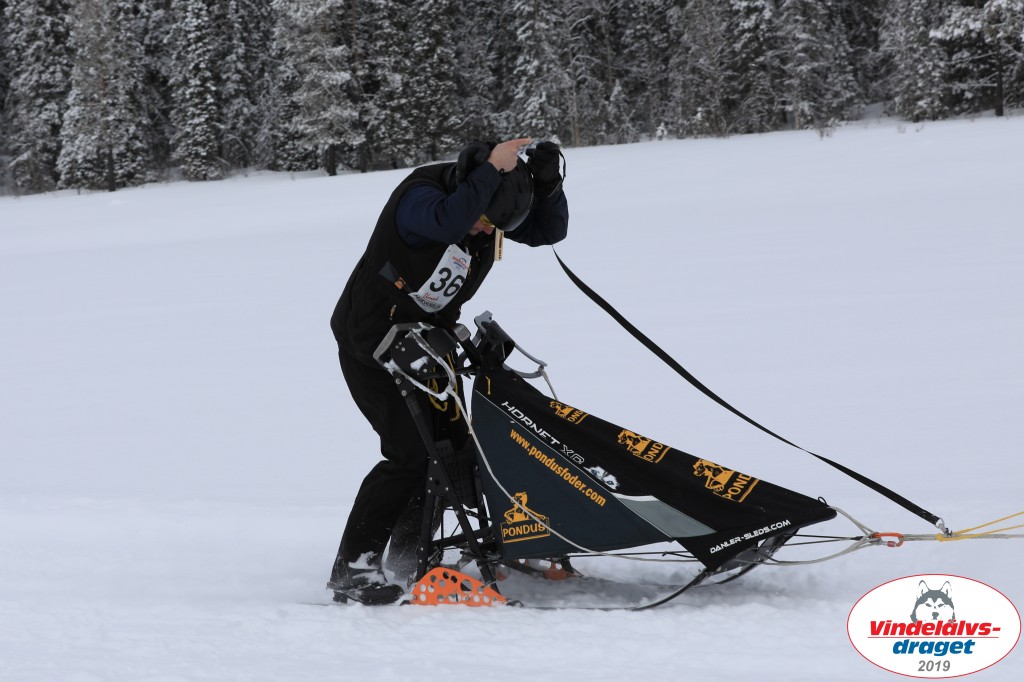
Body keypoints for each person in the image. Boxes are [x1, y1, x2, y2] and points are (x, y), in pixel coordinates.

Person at [327, 138, 569, 604]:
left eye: (494, 227)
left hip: (426, 343)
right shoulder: (422, 197)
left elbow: (546, 232)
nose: (483, 233)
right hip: (370, 341)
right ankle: (353, 570)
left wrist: (547, 185)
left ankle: (409, 556)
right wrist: (491, 173)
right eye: (483, 222)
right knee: (410, 454)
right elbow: (449, 220)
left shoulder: (487, 208)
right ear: (469, 184)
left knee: (453, 450)